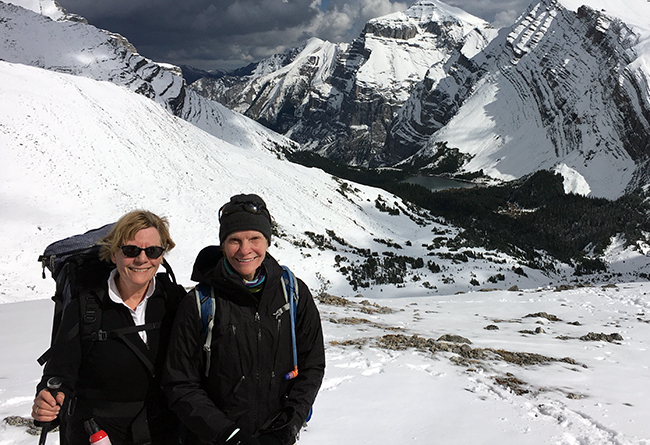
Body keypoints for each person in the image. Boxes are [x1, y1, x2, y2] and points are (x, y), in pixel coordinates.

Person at [163, 194, 325, 445]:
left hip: (275, 435)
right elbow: (180, 383)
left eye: (255, 239)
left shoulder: (292, 293)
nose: (245, 249)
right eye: (234, 240)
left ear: (267, 242)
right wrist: (228, 435)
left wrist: (289, 424)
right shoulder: (200, 302)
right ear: (223, 244)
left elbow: (312, 365)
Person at [32, 210, 186, 445]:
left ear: (162, 255)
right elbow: (61, 372)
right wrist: (49, 399)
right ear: (114, 253)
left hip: (162, 432)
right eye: (131, 250)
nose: (142, 259)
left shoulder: (173, 300)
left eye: (153, 251)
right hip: (96, 435)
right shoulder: (86, 307)